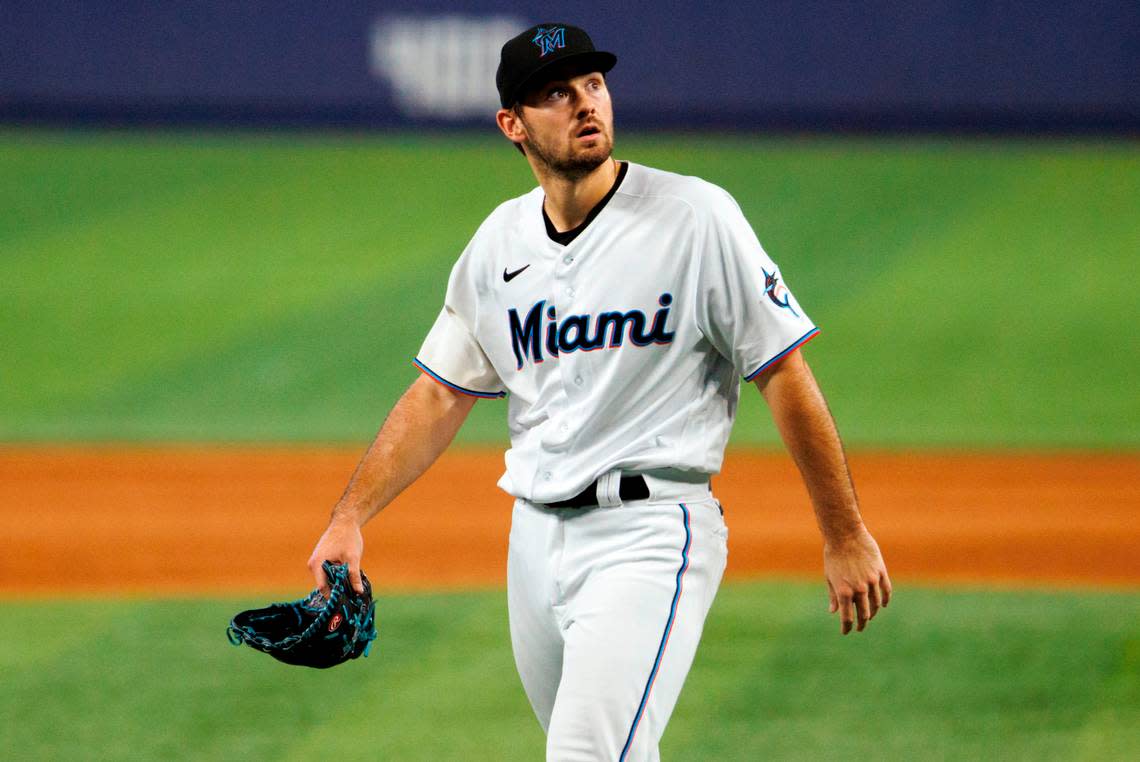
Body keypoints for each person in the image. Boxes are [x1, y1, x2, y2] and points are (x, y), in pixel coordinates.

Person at [309, 22, 891, 761]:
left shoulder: (695, 218)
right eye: (557, 92)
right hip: (534, 541)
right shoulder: (498, 243)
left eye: (593, 84)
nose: (586, 103)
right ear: (511, 125)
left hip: (651, 534)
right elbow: (438, 394)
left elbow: (784, 371)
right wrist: (349, 517)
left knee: (584, 755)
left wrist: (843, 535)